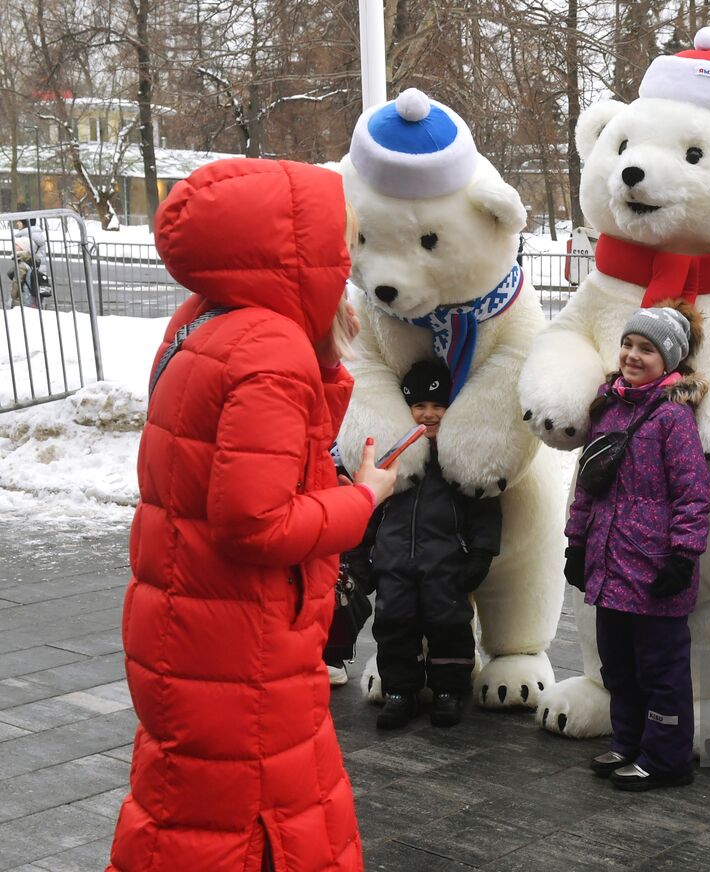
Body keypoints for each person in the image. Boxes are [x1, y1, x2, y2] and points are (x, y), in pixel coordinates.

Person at [107, 158, 397, 872]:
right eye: (341, 242)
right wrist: (361, 499)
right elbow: (254, 522)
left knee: (188, 807)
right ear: (293, 248)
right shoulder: (270, 349)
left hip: (196, 631)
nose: (348, 259)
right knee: (257, 823)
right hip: (244, 646)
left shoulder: (202, 321)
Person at [565, 302, 710, 792]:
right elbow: (588, 484)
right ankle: (629, 743)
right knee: (618, 664)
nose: (632, 355)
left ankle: (667, 759)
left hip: (654, 569)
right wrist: (576, 543)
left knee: (661, 669)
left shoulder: (673, 418)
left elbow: (693, 492)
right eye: (628, 343)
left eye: (646, 349)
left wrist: (683, 554)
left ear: (668, 360)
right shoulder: (608, 408)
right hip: (609, 565)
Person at [367, 360, 503, 730]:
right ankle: (400, 691)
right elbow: (370, 504)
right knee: (394, 625)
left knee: (449, 626)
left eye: (438, 406)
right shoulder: (392, 455)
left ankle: (448, 690)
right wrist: (361, 554)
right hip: (394, 562)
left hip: (446, 564)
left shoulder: (459, 457)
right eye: (419, 407)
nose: (428, 415)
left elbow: (484, 506)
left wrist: (481, 552)